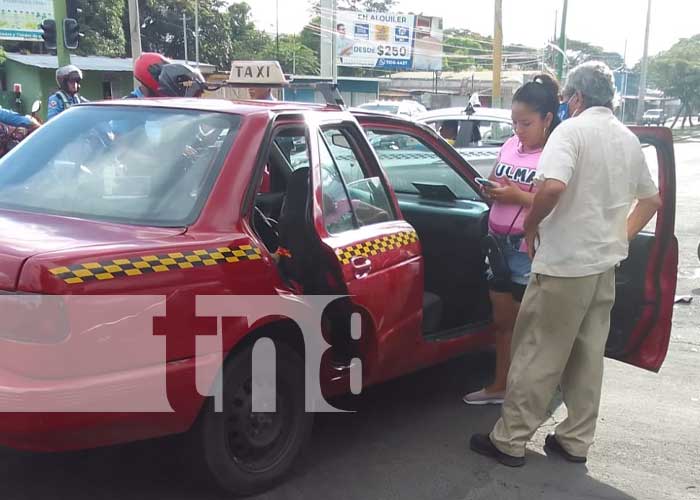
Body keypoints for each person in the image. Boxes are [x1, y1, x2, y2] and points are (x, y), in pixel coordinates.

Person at [470, 61, 662, 467]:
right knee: (587, 358)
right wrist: (619, 237)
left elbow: (553, 187)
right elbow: (651, 201)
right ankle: (575, 440)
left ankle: (510, 440)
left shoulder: (570, 132)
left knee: (536, 352)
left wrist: (531, 226)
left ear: (574, 98)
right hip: (603, 267)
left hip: (563, 267)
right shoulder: (627, 138)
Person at [463, 74, 561, 405]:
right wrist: (489, 189)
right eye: (514, 122)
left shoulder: (555, 154)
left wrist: (517, 196)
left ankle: (525, 394)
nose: (519, 130)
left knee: (526, 328)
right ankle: (500, 385)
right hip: (498, 242)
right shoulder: (509, 145)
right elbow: (494, 180)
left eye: (526, 123)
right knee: (502, 323)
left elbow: (558, 201)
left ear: (547, 119)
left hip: (527, 246)